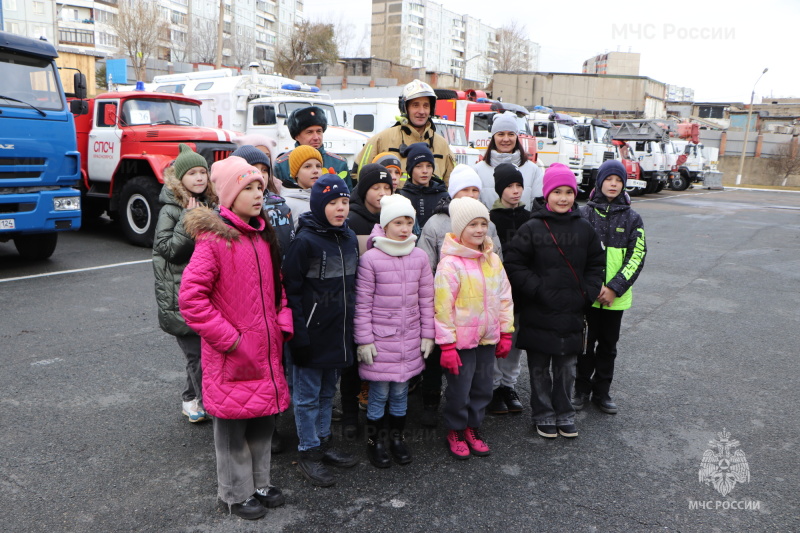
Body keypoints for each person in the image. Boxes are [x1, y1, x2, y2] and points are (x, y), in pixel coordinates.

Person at [178, 156, 291, 520]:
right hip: (233, 354)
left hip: (265, 349)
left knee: (262, 422)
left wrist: (283, 319)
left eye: (260, 186)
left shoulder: (262, 236)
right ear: (228, 195)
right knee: (231, 430)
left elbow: (278, 287)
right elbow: (191, 299)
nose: (259, 194)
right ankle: (234, 492)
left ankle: (259, 483)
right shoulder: (214, 240)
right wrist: (231, 341)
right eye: (248, 188)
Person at [503, 163, 605, 440]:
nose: (563, 198)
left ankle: (565, 414)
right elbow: (513, 263)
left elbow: (597, 264)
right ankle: (543, 415)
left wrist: (587, 292)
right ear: (546, 195)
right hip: (539, 311)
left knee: (566, 367)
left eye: (568, 192)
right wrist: (537, 289)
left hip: (572, 311)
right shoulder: (532, 227)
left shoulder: (584, 228)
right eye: (557, 192)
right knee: (538, 368)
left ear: (575, 195)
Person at [282, 174, 360, 487]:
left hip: (338, 336)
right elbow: (291, 292)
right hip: (311, 337)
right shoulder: (305, 241)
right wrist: (298, 337)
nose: (340, 208)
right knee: (307, 397)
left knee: (329, 391)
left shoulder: (349, 237)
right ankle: (308, 450)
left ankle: (324, 442)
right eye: (333, 203)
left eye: (344, 202)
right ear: (318, 204)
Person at [416, 164, 503, 427]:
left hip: (479, 310)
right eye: (465, 189)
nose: (471, 194)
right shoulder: (436, 222)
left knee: (473, 373)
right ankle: (431, 400)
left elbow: (496, 261)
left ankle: (471, 419)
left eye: (475, 189)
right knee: (438, 361)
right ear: (453, 192)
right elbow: (426, 264)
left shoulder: (488, 225)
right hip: (446, 304)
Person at [354, 194, 435, 468]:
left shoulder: (420, 257)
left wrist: (428, 334)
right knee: (379, 394)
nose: (404, 228)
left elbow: (427, 299)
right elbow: (362, 304)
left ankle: (397, 439)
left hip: (409, 340)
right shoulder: (371, 259)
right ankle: (375, 442)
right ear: (385, 225)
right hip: (380, 342)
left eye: (409, 222)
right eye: (398, 222)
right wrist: (364, 341)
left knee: (401, 394)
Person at [434, 197, 514, 459]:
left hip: (487, 339)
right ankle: (455, 429)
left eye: (483, 224)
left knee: (482, 387)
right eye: (473, 225)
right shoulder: (450, 264)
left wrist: (505, 332)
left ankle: (473, 427)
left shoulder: (493, 261)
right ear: (459, 229)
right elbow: (443, 307)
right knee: (460, 389)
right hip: (461, 343)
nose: (480, 230)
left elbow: (504, 297)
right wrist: (446, 345)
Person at [573, 160, 646, 415]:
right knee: (584, 345)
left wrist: (615, 288)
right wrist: (591, 289)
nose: (613, 184)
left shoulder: (632, 218)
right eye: (608, 179)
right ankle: (580, 389)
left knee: (608, 345)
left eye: (618, 180)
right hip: (588, 297)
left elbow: (636, 257)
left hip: (616, 299)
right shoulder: (584, 214)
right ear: (599, 182)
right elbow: (576, 257)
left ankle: (602, 391)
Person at [153, 143, 216, 423]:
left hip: (206, 292)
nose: (200, 178)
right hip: (180, 296)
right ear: (180, 179)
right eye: (192, 173)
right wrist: (188, 221)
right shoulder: (171, 209)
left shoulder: (209, 204)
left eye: (203, 172)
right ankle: (206, 402)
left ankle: (191, 398)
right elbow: (168, 250)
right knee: (197, 355)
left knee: (204, 353)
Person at [486, 163, 532, 415]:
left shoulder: (530, 219)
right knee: (496, 339)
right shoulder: (491, 220)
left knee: (515, 341)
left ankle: (508, 385)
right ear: (499, 189)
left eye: (519, 186)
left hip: (522, 292)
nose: (515, 191)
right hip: (498, 292)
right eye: (509, 186)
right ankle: (493, 387)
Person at [354, 79, 456, 184]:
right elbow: (359, 176)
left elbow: (453, 183)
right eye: (415, 105)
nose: (421, 111)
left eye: (426, 106)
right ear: (404, 108)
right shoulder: (381, 139)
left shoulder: (442, 144)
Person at [472, 112, 544, 210]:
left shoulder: (533, 170)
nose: (506, 139)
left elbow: (537, 205)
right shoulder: (478, 170)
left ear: (516, 137)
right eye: (501, 134)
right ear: (493, 137)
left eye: (511, 134)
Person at [231, 144, 294, 255]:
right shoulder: (233, 207)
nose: (260, 174)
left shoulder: (281, 206)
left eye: (264, 170)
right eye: (254, 169)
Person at [274, 106, 352, 189]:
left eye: (319, 131)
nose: (316, 137)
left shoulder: (339, 163)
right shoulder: (281, 166)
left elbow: (347, 198)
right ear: (296, 136)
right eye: (309, 132)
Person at [397, 143, 449, 228]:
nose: (425, 171)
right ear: (410, 170)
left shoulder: (444, 197)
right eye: (419, 166)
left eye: (429, 166)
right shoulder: (401, 197)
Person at [280, 145, 323, 229]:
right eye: (307, 166)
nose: (315, 171)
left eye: (318, 166)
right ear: (295, 173)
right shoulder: (286, 204)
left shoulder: (325, 198)